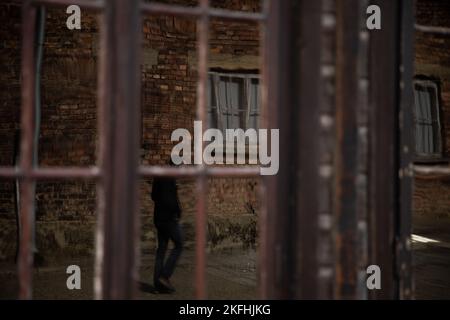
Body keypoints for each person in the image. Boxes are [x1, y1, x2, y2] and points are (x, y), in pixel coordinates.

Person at [151, 158, 183, 293]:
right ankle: (164, 276)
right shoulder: (169, 178)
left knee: (162, 249)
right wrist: (177, 210)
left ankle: (158, 285)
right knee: (179, 244)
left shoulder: (159, 175)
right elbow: (169, 200)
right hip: (168, 219)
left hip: (158, 218)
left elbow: (153, 196)